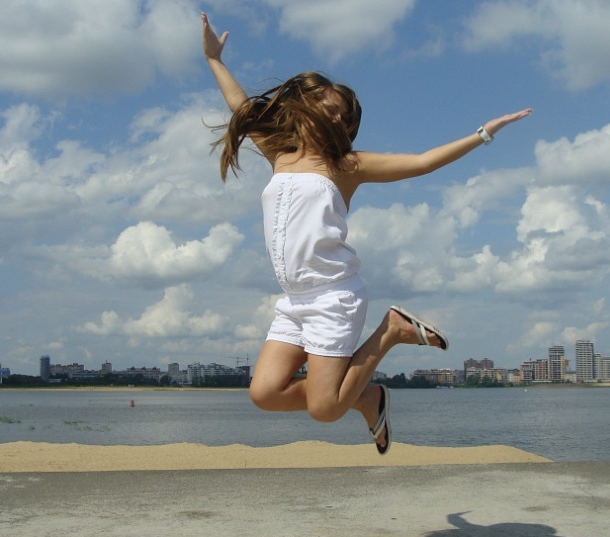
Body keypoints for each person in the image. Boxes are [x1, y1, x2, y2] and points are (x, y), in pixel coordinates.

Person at [202, 12, 531, 454]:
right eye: (331, 110)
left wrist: (484, 134)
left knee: (324, 409)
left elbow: (422, 162)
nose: (338, 120)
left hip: (333, 296)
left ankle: (391, 331)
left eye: (345, 118)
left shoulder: (346, 166)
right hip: (294, 299)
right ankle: (365, 396)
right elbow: (240, 105)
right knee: (264, 393)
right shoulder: (279, 153)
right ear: (306, 106)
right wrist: (214, 59)